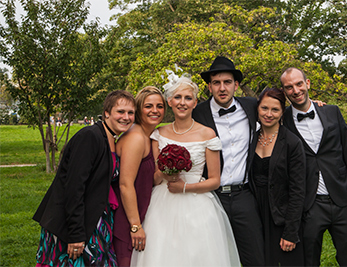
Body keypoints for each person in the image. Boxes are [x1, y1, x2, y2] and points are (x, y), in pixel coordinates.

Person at [131, 72, 240, 266]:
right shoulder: (159, 133)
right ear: (170, 102)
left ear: (195, 103)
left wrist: (184, 188)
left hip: (198, 205)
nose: (182, 102)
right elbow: (155, 179)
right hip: (162, 205)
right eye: (177, 97)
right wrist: (165, 173)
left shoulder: (207, 134)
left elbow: (215, 180)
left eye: (188, 98)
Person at [33, 90, 136, 266]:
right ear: (106, 113)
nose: (126, 117)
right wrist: (76, 235)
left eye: (131, 113)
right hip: (74, 225)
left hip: (95, 220)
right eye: (120, 111)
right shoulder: (90, 137)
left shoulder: (111, 138)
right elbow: (73, 188)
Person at [280, 67, 347, 266]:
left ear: (308, 83)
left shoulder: (331, 111)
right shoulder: (281, 120)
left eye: (299, 84)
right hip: (309, 205)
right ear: (284, 92)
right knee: (308, 261)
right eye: (289, 87)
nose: (295, 90)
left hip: (343, 201)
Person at [192, 56, 264, 266]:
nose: (222, 88)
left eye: (227, 82)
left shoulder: (252, 107)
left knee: (255, 257)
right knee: (214, 258)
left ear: (236, 85)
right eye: (216, 83)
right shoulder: (197, 113)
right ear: (209, 86)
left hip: (245, 195)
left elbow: (276, 109)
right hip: (210, 198)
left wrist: (312, 105)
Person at [249, 87, 306, 266]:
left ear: (282, 112)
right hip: (256, 214)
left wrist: (290, 232)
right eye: (264, 108)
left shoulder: (292, 142)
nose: (269, 114)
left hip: (282, 214)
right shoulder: (251, 138)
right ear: (257, 109)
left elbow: (298, 190)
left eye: (275, 110)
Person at [112, 86, 166, 266]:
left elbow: (146, 180)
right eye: (148, 106)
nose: (155, 111)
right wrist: (135, 226)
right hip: (125, 220)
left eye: (159, 106)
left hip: (137, 213)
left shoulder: (149, 137)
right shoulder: (135, 138)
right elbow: (125, 184)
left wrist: (168, 171)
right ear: (139, 109)